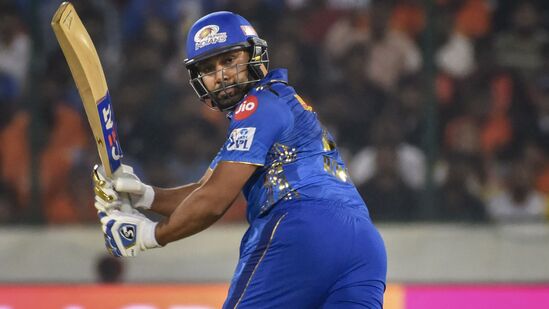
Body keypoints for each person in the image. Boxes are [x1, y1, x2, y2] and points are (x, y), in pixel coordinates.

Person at [94, 11, 387, 308]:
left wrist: (147, 235)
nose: (221, 74)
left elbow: (214, 201)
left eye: (229, 60)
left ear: (253, 56)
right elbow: (203, 189)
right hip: (365, 245)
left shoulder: (257, 105)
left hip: (303, 228)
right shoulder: (274, 105)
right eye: (209, 68)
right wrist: (145, 196)